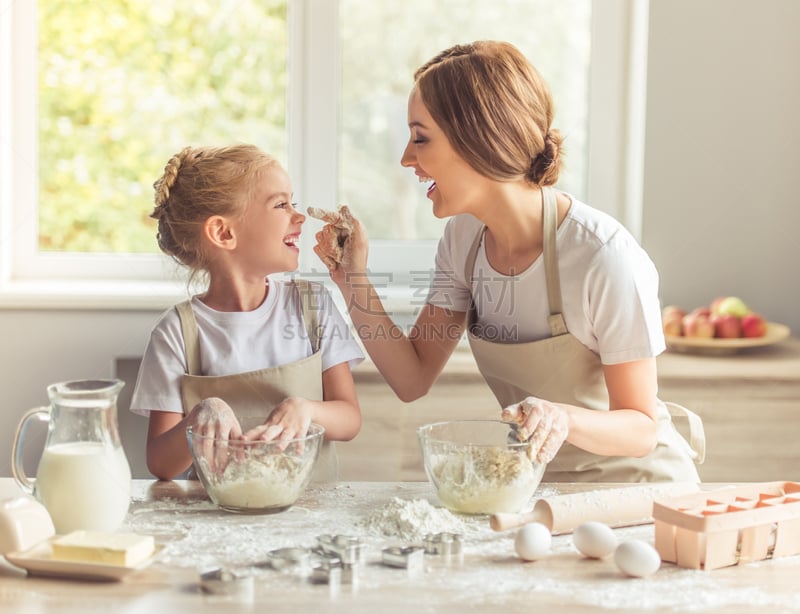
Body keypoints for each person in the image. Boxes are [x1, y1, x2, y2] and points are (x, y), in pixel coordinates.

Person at [313, 41, 704, 483]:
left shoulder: (603, 258)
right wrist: (353, 280)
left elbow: (641, 428)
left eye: (421, 138)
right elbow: (412, 377)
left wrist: (563, 419)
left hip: (638, 489)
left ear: (481, 141)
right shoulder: (464, 239)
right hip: (540, 486)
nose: (407, 158)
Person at [130, 144, 363, 481]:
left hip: (312, 514)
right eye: (281, 205)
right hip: (219, 519)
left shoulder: (312, 305)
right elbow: (160, 464)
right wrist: (199, 416)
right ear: (224, 233)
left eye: (292, 202)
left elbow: (350, 419)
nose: (299, 217)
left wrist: (307, 410)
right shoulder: (177, 332)